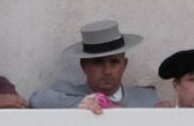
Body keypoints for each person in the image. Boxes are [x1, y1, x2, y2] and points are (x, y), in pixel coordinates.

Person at [31, 19, 161, 111]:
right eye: (98, 62)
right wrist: (85, 103)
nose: (107, 71)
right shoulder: (66, 92)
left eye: (114, 62)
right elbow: (37, 100)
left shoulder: (146, 98)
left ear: (124, 65)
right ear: (84, 66)